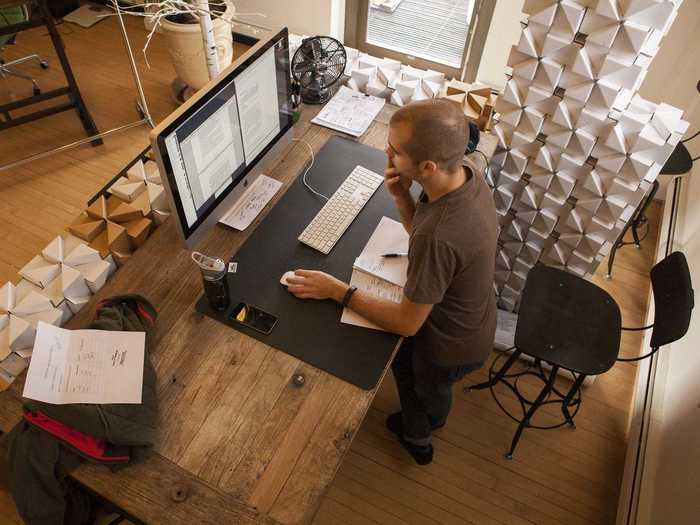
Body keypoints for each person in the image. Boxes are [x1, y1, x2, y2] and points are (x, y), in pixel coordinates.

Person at [286, 98, 498, 465]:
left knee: (416, 383)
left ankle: (419, 437)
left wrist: (336, 290)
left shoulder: (439, 235)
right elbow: (429, 234)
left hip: (449, 346)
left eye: (395, 150)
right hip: (475, 317)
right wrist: (402, 198)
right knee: (429, 385)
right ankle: (435, 414)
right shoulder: (466, 173)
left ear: (427, 167)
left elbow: (407, 323)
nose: (387, 152)